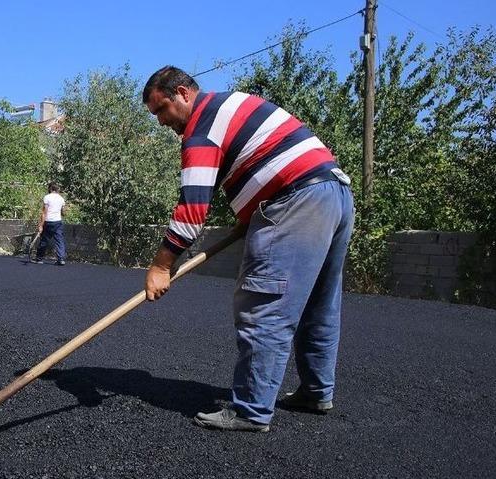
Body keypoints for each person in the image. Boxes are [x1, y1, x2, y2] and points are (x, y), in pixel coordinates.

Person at [141, 66, 354, 432]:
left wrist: (161, 266)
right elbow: (261, 158)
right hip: (332, 193)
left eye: (161, 110)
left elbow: (192, 212)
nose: (161, 122)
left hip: (295, 200)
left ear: (182, 93)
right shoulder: (233, 104)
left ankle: (251, 410)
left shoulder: (202, 129)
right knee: (319, 302)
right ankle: (316, 392)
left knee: (264, 303)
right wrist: (249, 213)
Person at [35, 182, 67, 266]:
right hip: (58, 222)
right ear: (57, 189)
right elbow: (63, 213)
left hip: (48, 222)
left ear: (50, 188)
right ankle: (61, 259)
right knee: (59, 240)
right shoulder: (61, 199)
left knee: (44, 240)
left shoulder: (47, 197)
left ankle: (39, 258)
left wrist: (41, 225)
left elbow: (44, 212)